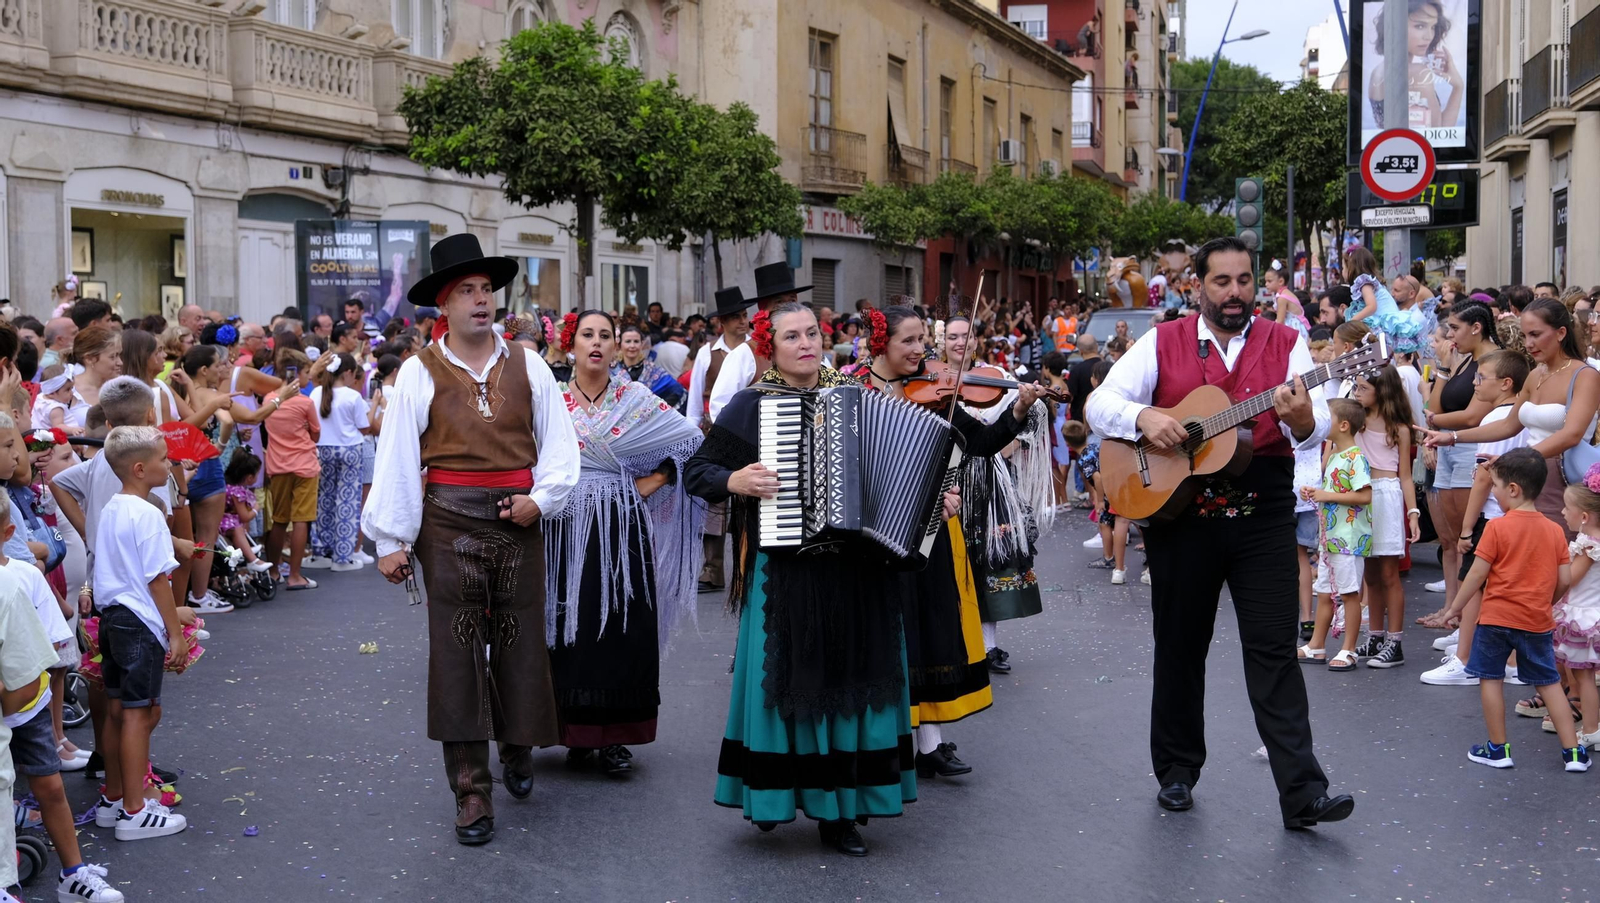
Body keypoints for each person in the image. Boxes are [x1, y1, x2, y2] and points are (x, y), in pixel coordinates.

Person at [1085, 236, 1354, 828]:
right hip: (1183, 517)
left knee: (1274, 650)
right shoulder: (1164, 340)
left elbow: (1321, 426)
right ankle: (1177, 772)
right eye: (1222, 282)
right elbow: (1098, 404)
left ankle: (1303, 792)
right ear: (1198, 286)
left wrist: (1304, 419)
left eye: (1244, 281)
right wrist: (1145, 416)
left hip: (1264, 511)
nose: (1235, 294)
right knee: (1180, 648)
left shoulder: (1287, 345)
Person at [684, 302, 924, 857]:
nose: (806, 344)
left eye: (812, 333)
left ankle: (841, 814)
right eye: (792, 336)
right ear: (771, 346)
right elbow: (699, 472)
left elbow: (901, 464)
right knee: (796, 681)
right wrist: (736, 478)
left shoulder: (858, 398)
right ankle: (777, 792)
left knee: (848, 677)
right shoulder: (752, 405)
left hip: (857, 567)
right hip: (789, 564)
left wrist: (933, 500)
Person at [364, 233, 580, 847]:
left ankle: (517, 746)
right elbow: (399, 457)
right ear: (443, 305)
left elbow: (560, 448)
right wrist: (391, 539)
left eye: (487, 290)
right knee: (457, 655)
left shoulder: (531, 363)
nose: (481, 300)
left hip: (521, 520)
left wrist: (542, 499)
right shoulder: (416, 371)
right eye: (468, 291)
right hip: (448, 522)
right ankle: (471, 790)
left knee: (518, 643)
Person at [860, 306, 1044, 779]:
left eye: (923, 339)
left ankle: (931, 742)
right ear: (881, 343)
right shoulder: (851, 393)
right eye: (909, 341)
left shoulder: (938, 396)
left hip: (932, 530)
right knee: (889, 635)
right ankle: (889, 738)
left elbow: (980, 442)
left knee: (932, 629)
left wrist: (1020, 408)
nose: (921, 350)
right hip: (873, 537)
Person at [545, 310, 702, 775]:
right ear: (570, 345)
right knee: (566, 620)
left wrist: (651, 481)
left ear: (618, 347)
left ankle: (615, 737)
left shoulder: (635, 399)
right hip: (565, 525)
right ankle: (573, 730)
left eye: (606, 336)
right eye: (587, 335)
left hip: (621, 521)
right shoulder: (550, 400)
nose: (596, 343)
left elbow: (691, 441)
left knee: (621, 624)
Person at [1437, 448, 1588, 771]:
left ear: (1514, 490)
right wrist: (1546, 601)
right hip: (1536, 619)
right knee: (1548, 682)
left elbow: (1477, 574)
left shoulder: (1497, 528)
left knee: (1490, 679)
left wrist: (1455, 608)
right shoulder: (1554, 531)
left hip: (1495, 619)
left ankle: (1498, 749)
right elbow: (1563, 579)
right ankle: (1573, 753)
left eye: (1496, 486)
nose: (1493, 491)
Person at [1425, 299, 1600, 537]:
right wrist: (1452, 437)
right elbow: (1509, 425)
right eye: (1526, 335)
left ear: (1561, 333)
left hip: (1562, 481)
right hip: (1527, 478)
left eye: (1536, 335)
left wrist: (1515, 460)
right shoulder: (1536, 374)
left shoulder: (1585, 375)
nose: (1529, 344)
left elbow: (1572, 434)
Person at [90, 425, 188, 840]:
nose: (169, 465)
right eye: (165, 460)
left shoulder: (113, 507)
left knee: (118, 710)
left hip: (113, 617)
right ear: (140, 468)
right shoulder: (148, 513)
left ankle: (114, 798)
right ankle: (135, 810)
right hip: (139, 622)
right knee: (139, 713)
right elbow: (157, 580)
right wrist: (176, 633)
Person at [942, 317, 1053, 673]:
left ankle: (987, 646)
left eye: (967, 335)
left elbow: (1034, 414)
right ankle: (952, 643)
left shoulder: (997, 377)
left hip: (991, 482)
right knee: (951, 563)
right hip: (950, 480)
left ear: (976, 340)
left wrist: (1014, 441)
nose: (960, 342)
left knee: (990, 559)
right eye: (952, 336)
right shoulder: (930, 379)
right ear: (941, 341)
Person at [1421, 350, 1531, 686]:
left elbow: (1484, 476)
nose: (1474, 382)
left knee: (1476, 587)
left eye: (1481, 378)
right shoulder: (1515, 414)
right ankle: (1507, 661)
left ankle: (1465, 660)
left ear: (1506, 383)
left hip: (1494, 517)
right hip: (1510, 515)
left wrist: (1467, 528)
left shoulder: (1493, 420)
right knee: (1502, 589)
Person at [1351, 367, 1422, 668]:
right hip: (1362, 495)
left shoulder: (1400, 429)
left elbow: (1405, 477)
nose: (1356, 393)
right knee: (1370, 573)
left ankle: (1395, 641)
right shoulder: (1355, 421)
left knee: (1390, 574)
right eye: (1355, 387)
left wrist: (1413, 513)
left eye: (1362, 388)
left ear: (1380, 391)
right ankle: (1376, 635)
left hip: (1387, 496)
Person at [1297, 398, 1373, 672]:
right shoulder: (1334, 455)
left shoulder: (1356, 456)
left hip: (1349, 539)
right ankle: (1317, 644)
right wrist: (1316, 493)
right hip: (1331, 536)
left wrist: (1326, 495)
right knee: (1326, 592)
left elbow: (1364, 495)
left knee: (1350, 593)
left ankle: (1349, 649)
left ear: (1343, 425)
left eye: (1326, 416)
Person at [686, 288, 748, 594]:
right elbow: (695, 398)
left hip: (749, 432)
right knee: (714, 501)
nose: (742, 321)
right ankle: (712, 568)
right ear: (722, 321)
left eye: (744, 315)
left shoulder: (754, 350)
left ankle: (744, 567)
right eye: (735, 316)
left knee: (747, 501)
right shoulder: (707, 353)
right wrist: (692, 435)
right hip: (715, 431)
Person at [263, 349, 326, 592]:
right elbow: (316, 433)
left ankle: (274, 569)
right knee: (302, 519)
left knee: (279, 519)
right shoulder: (305, 402)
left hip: (278, 466)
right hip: (305, 466)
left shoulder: (268, 400)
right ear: (295, 373)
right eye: (306, 372)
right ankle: (296, 575)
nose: (308, 377)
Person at [308, 353, 371, 572]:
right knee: (347, 502)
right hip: (350, 449)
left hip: (321, 449)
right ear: (348, 373)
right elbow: (364, 427)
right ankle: (342, 556)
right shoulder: (353, 397)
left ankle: (321, 551)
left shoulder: (316, 393)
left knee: (323, 499)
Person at [1558, 464, 1600, 747]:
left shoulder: (1588, 545)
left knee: (1584, 677)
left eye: (1566, 508)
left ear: (1583, 517)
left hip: (1584, 616)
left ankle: (1591, 729)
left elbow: (1570, 579)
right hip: (1589, 610)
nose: (1562, 512)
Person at [1344, 247, 1426, 356]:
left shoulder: (1364, 283)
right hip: (1387, 321)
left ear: (1351, 267)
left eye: (1343, 268)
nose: (1342, 271)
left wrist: (1352, 321)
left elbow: (1371, 306)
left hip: (1385, 322)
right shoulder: (1372, 282)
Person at [612, 324, 685, 409]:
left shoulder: (653, 370)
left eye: (636, 341)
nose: (632, 346)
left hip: (648, 420)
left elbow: (677, 390)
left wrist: (659, 410)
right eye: (628, 341)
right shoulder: (612, 371)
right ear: (620, 344)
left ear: (641, 344)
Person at [220, 452, 270, 574]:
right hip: (224, 521)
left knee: (238, 526)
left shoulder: (229, 486)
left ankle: (247, 548)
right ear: (249, 478)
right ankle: (253, 560)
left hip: (224, 518)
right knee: (237, 527)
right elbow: (245, 517)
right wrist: (256, 509)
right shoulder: (237, 492)